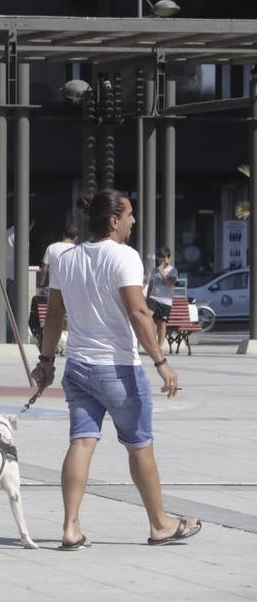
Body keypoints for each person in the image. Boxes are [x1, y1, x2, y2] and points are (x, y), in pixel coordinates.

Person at [34, 190, 201, 550]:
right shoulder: (124, 257)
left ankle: (70, 528)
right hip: (118, 369)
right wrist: (161, 361)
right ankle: (160, 524)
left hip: (77, 366)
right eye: (129, 215)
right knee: (140, 446)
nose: (133, 221)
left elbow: (54, 318)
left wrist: (46, 361)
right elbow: (139, 313)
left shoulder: (65, 258)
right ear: (113, 221)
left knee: (81, 442)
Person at [147, 246, 178, 349]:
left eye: (165, 258)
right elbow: (151, 285)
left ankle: (159, 347)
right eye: (160, 258)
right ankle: (152, 344)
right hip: (153, 298)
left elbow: (171, 283)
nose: (162, 260)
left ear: (169, 259)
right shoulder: (154, 270)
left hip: (165, 301)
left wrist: (162, 272)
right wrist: (147, 297)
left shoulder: (173, 270)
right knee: (148, 318)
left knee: (161, 324)